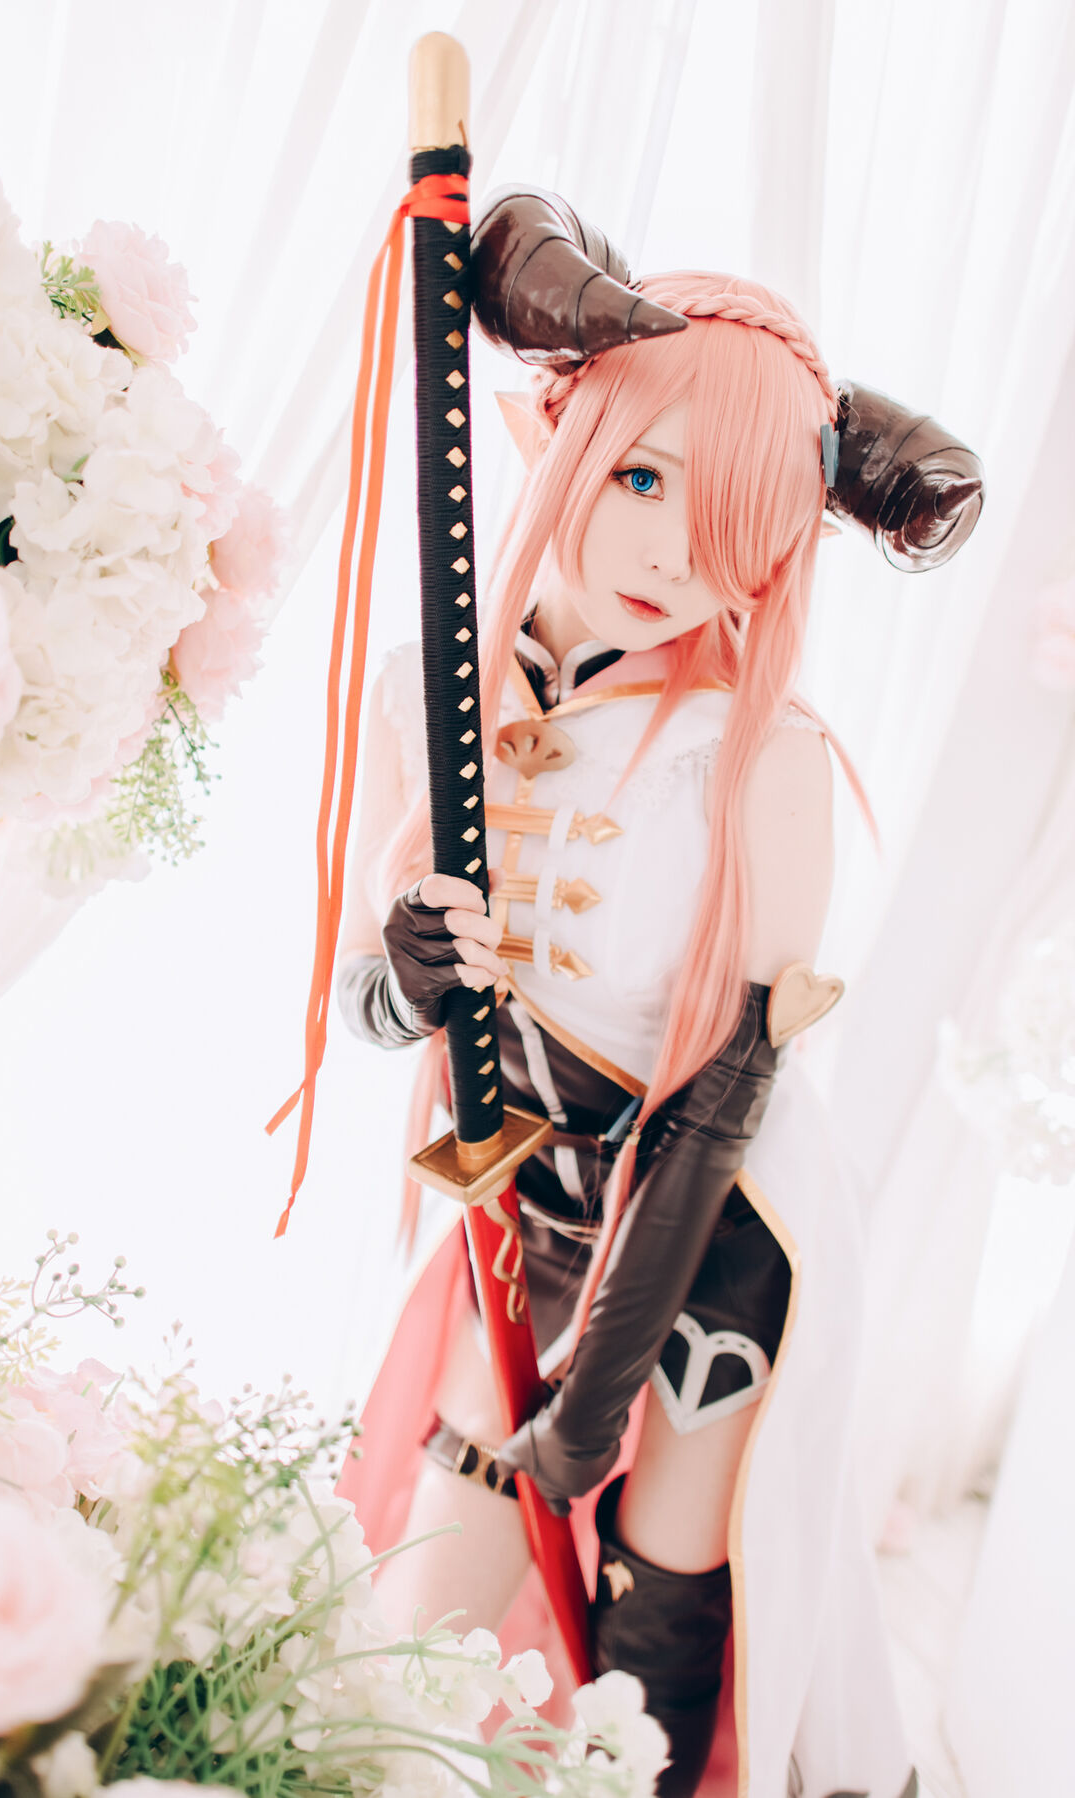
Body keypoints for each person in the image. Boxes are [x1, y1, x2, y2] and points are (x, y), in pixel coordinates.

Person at [331, 190, 980, 1798]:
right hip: (522, 1178)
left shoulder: (762, 758)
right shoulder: (436, 688)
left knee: (663, 1580)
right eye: (641, 476)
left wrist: (600, 1388)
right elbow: (365, 999)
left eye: (738, 519)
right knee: (434, 1582)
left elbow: (724, 1096)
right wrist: (401, 979)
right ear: (567, 427)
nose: (677, 552)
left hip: (714, 1217)